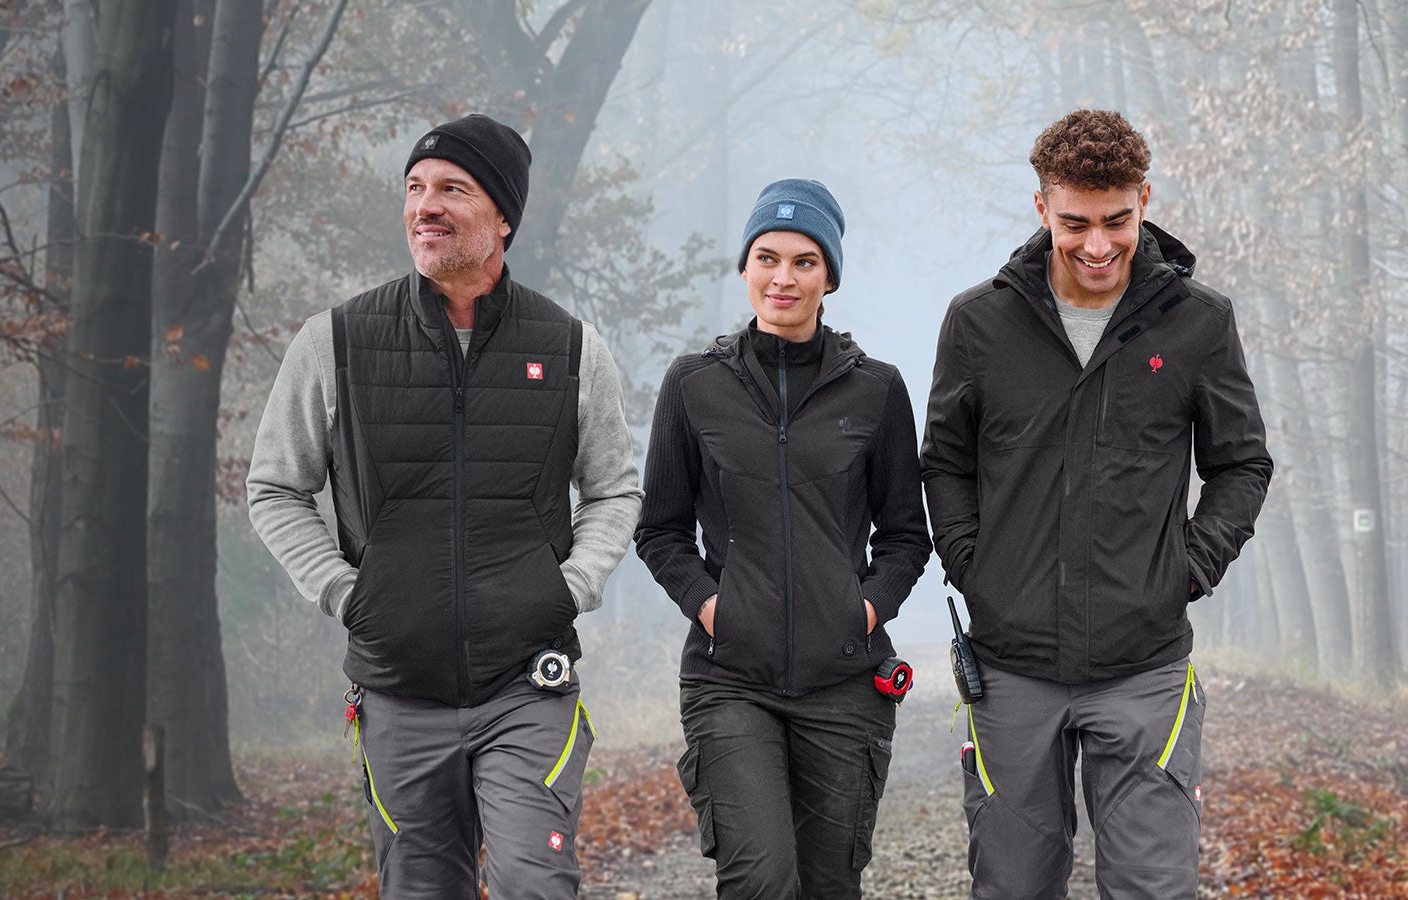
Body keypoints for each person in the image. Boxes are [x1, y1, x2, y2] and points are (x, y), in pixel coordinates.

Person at [244, 113, 642, 899]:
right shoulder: (336, 342)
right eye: (415, 188)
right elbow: (275, 487)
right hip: (398, 691)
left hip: (528, 684)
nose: (425, 205)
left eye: (452, 189)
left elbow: (614, 488)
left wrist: (569, 586)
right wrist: (346, 592)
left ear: (502, 219)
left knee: (537, 884)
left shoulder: (569, 349)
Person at [921, 109, 1273, 898]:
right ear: (1041, 208)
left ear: (1144, 199)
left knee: (1153, 887)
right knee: (1012, 888)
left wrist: (1187, 568)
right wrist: (977, 567)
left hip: (1144, 666)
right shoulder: (978, 323)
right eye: (1075, 222)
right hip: (1011, 670)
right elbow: (944, 461)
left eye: (1118, 219)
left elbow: (1242, 463)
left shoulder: (1198, 324)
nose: (1099, 245)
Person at [634, 178, 932, 899]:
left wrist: (859, 612)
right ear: (744, 268)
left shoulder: (878, 390)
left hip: (845, 684)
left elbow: (904, 537)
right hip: (730, 678)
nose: (784, 277)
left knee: (830, 885)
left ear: (830, 276)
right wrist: (715, 609)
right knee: (762, 879)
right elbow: (661, 531)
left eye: (805, 261)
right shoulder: (693, 385)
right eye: (767, 257)